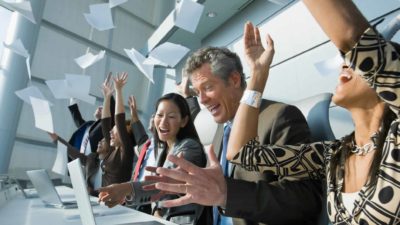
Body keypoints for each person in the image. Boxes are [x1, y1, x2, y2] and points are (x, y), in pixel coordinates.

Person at [223, 1, 400, 224]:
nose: (344, 64)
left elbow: (355, 41)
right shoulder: (333, 155)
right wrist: (258, 75)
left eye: (354, 62)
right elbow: (242, 154)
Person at [148, 44, 324, 225]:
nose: (202, 100)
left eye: (208, 87)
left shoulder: (279, 117)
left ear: (234, 80)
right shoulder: (221, 131)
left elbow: (305, 201)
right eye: (197, 92)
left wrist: (226, 193)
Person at [98, 93, 207, 225]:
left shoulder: (189, 148)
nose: (163, 121)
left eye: (171, 117)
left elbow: (166, 184)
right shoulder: (161, 149)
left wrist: (125, 188)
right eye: (159, 115)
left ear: (184, 121)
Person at [100, 72, 135, 187]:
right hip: (103, 200)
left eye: (114, 131)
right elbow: (105, 123)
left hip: (117, 203)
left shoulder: (126, 152)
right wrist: (107, 97)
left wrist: (118, 90)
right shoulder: (112, 149)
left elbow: (119, 121)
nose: (110, 132)